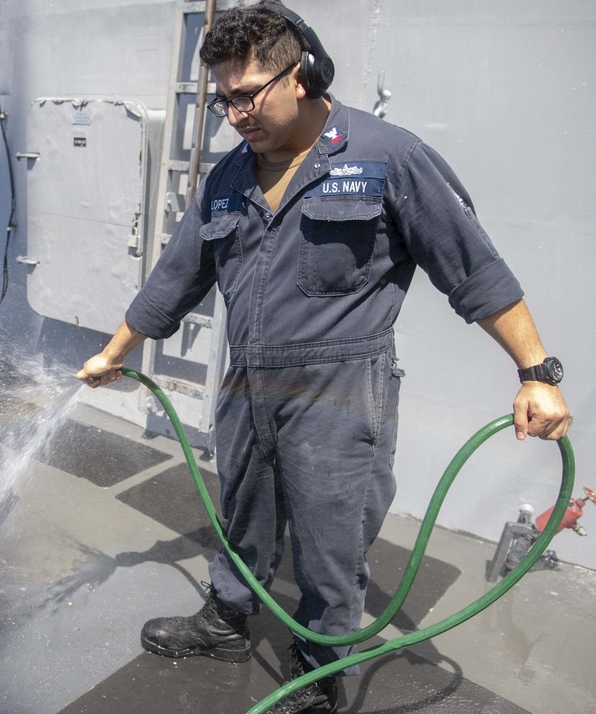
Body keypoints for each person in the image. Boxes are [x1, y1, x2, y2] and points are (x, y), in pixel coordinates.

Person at [76, 2, 571, 712]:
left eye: (248, 94)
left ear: (303, 73)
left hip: (341, 386)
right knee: (241, 512)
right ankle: (228, 616)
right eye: (223, 99)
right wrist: (114, 353)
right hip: (247, 382)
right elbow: (175, 278)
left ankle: (319, 666)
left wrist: (535, 375)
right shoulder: (227, 176)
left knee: (330, 538)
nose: (235, 112)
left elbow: (475, 272)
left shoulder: (387, 157)